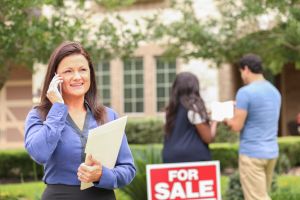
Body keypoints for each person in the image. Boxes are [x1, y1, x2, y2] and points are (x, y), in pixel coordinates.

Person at [24, 41, 136, 200]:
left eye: (83, 70)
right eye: (68, 71)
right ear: (55, 77)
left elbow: (128, 169)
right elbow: (39, 153)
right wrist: (57, 108)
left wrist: (102, 175)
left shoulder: (109, 116)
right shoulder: (39, 115)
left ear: (90, 73)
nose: (77, 77)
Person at [225, 53, 281, 200]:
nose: (242, 76)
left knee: (256, 198)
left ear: (246, 69)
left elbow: (237, 126)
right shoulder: (274, 92)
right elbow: (262, 113)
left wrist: (225, 119)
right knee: (262, 195)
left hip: (252, 154)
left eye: (241, 72)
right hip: (271, 152)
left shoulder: (245, 92)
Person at [162, 72, 218, 163]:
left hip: (170, 157)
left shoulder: (169, 111)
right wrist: (215, 121)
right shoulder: (194, 108)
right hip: (194, 157)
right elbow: (208, 138)